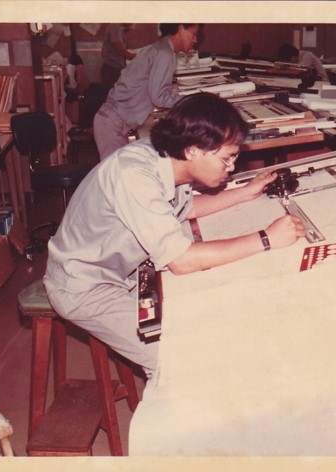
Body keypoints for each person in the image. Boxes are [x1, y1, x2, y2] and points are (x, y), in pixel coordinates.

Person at [44, 93, 305, 378]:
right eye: (226, 159)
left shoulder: (168, 158)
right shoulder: (134, 175)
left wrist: (245, 193)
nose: (231, 168)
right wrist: (266, 239)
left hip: (126, 271)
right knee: (178, 359)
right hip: (85, 286)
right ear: (193, 150)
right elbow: (181, 261)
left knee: (216, 314)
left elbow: (187, 207)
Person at [93, 23, 200, 161]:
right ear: (180, 28)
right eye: (193, 34)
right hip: (112, 124)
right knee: (115, 171)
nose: (195, 40)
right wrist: (193, 100)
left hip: (111, 121)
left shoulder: (159, 48)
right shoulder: (165, 54)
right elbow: (159, 97)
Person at [100, 23, 137, 90]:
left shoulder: (121, 29)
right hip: (111, 69)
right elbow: (120, 50)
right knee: (112, 92)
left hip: (117, 68)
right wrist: (137, 57)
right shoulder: (115, 27)